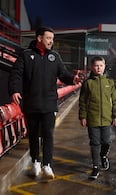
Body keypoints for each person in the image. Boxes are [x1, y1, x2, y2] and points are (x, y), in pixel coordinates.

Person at [8, 26, 81, 179]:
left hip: (49, 103)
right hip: (31, 103)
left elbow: (63, 73)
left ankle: (47, 165)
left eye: (52, 39)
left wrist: (72, 79)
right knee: (34, 135)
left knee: (48, 135)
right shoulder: (26, 55)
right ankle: (35, 162)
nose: (51, 42)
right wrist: (15, 90)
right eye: (48, 38)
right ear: (39, 38)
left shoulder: (55, 56)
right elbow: (16, 74)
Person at [79, 56, 116, 179]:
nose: (98, 68)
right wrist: (83, 116)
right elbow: (82, 101)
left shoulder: (109, 82)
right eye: (96, 65)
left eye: (101, 65)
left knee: (106, 142)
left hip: (107, 119)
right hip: (92, 119)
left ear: (104, 66)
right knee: (95, 143)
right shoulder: (88, 83)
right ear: (92, 67)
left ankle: (103, 156)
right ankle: (95, 167)